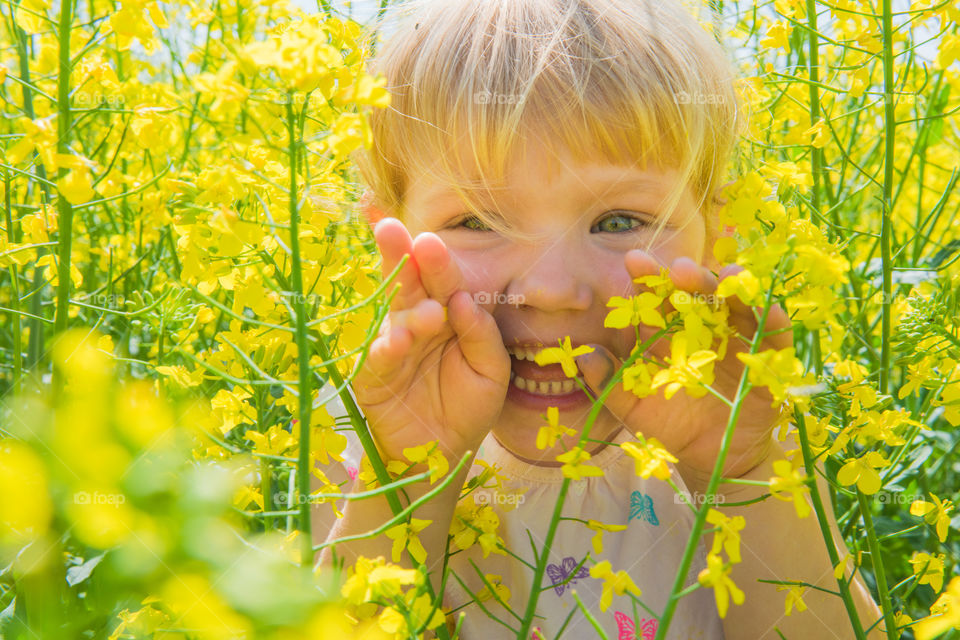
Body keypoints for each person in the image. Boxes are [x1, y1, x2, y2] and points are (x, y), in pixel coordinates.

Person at [313, 0, 886, 637]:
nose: (551, 290)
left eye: (618, 222)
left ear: (717, 234)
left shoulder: (745, 423)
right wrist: (412, 478)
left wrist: (744, 471)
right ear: (386, 238)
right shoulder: (356, 437)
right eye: (476, 222)